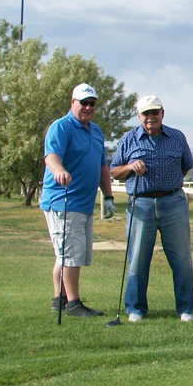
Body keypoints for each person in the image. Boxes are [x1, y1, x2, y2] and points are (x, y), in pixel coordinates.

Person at [109, 95, 193, 322]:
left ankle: (185, 309)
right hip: (141, 203)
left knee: (182, 259)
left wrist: (169, 184)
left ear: (162, 113)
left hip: (173, 202)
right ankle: (135, 309)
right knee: (137, 259)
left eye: (154, 112)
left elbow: (186, 166)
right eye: (145, 113)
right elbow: (114, 171)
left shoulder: (176, 137)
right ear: (139, 116)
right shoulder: (128, 139)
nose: (150, 117)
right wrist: (129, 167)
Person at [41, 83, 117, 318]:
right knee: (70, 254)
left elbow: (102, 164)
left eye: (91, 104)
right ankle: (73, 304)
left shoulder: (95, 131)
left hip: (84, 203)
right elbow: (51, 155)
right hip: (64, 199)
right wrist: (58, 170)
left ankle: (59, 299)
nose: (87, 107)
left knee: (66, 253)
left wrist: (108, 195)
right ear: (72, 103)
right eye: (83, 103)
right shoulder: (61, 127)